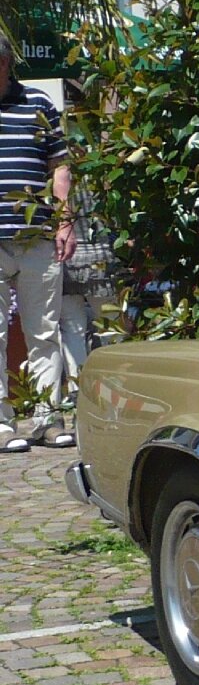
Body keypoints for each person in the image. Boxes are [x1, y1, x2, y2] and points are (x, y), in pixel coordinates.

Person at [0, 31, 74, 453]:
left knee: (44, 331)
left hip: (36, 237)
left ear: (7, 65)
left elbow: (59, 168)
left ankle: (48, 417)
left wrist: (64, 223)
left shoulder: (38, 105)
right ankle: (1, 421)